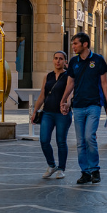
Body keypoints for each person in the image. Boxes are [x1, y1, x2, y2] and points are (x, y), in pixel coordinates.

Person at [60, 33, 107, 185]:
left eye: (75, 43)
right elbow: (70, 84)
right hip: (77, 106)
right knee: (80, 141)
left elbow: (104, 84)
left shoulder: (98, 60)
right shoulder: (73, 61)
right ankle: (85, 172)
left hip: (93, 105)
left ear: (85, 44)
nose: (73, 46)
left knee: (90, 136)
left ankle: (95, 169)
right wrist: (63, 100)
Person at [32, 51, 71, 179]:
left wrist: (68, 104)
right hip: (47, 112)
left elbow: (71, 94)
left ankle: (61, 168)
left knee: (61, 141)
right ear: (53, 60)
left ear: (65, 61)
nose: (58, 61)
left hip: (62, 114)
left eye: (61, 59)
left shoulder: (69, 76)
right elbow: (42, 95)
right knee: (44, 140)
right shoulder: (47, 76)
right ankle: (51, 165)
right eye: (55, 58)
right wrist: (35, 111)